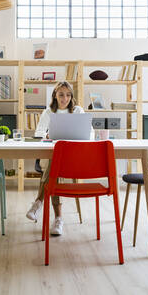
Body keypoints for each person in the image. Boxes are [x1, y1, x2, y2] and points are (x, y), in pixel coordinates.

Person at [26, 81, 94, 236]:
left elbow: (91, 133)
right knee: (54, 162)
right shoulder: (49, 112)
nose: (65, 98)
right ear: (55, 95)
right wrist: (47, 135)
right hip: (52, 157)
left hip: (73, 158)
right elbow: (38, 133)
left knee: (53, 164)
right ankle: (58, 219)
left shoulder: (77, 110)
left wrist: (78, 137)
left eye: (68, 95)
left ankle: (38, 203)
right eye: (61, 94)